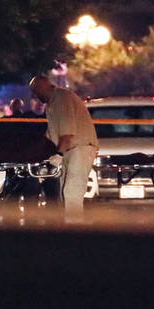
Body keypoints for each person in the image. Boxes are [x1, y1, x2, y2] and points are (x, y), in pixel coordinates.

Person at [29, 75, 98, 222]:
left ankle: (74, 231)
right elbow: (52, 133)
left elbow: (67, 135)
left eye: (35, 91)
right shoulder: (52, 103)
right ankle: (70, 227)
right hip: (71, 150)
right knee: (66, 192)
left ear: (43, 86)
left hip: (79, 149)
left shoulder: (61, 99)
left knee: (72, 192)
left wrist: (58, 155)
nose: (34, 95)